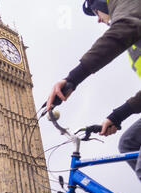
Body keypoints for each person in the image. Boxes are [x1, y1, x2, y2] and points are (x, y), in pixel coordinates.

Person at [46, 0, 141, 182]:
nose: (98, 20)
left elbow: (122, 29)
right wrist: (117, 116)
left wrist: (72, 78)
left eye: (95, 12)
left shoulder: (129, 10)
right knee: (128, 143)